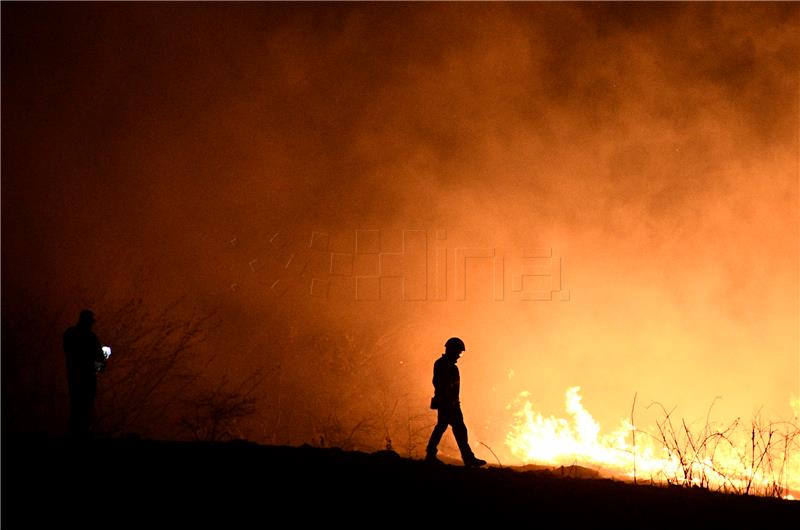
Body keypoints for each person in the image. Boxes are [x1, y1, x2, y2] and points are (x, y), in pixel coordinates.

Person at [425, 337, 486, 467]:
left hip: (451, 403)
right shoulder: (442, 364)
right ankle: (468, 458)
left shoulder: (450, 366)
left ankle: (431, 454)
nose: (459, 355)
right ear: (451, 350)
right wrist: (448, 401)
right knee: (456, 430)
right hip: (447, 404)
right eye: (458, 352)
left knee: (447, 428)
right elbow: (439, 384)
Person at [63, 309, 105, 437]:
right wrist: (99, 366)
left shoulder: (69, 334)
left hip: (74, 376)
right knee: (85, 405)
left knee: (76, 404)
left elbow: (69, 354)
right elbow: (99, 359)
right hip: (86, 377)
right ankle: (82, 432)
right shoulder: (91, 338)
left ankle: (75, 432)